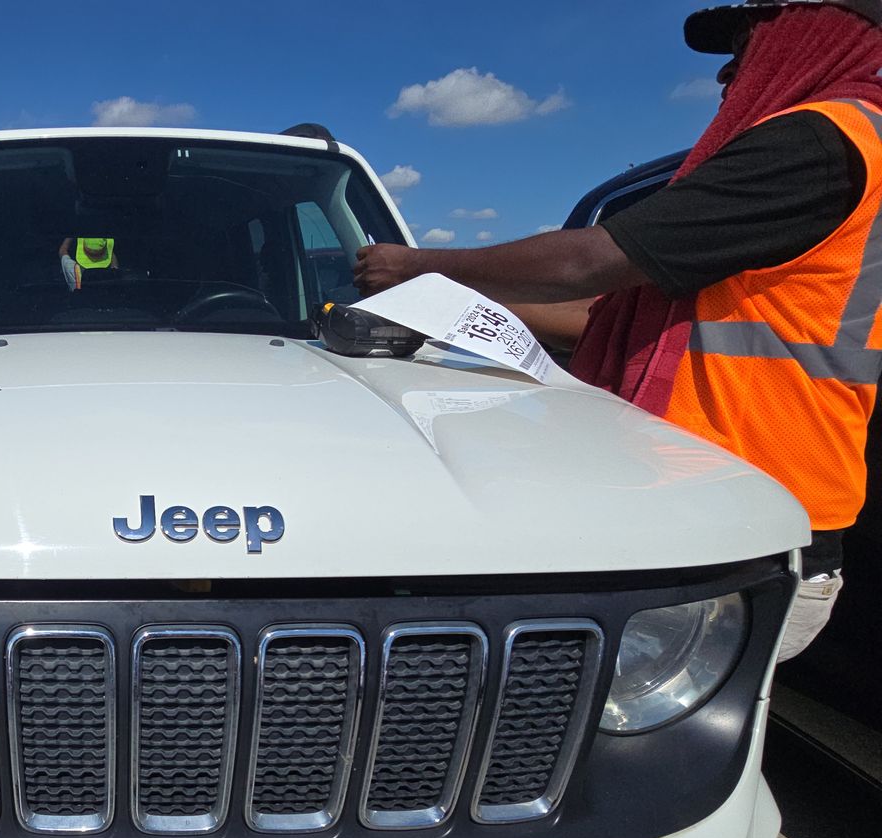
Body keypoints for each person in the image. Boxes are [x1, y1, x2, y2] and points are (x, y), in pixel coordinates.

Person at [354, 0, 882, 662]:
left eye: (747, 43)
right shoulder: (839, 152)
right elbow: (600, 312)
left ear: (813, 32)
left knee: (638, 753)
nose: (727, 74)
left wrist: (416, 264)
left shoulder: (820, 144)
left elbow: (589, 263)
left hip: (743, 526)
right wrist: (442, 301)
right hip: (727, 509)